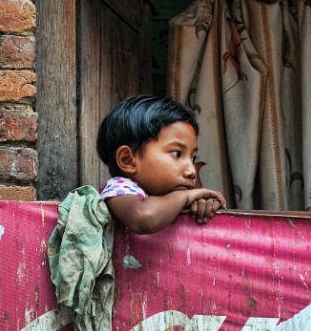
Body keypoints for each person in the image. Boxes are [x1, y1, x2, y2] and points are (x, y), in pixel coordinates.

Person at [95, 95, 227, 233]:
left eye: (192, 158)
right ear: (127, 160)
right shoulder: (119, 187)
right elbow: (144, 218)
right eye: (177, 154)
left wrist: (202, 204)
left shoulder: (170, 194)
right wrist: (186, 197)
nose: (191, 171)